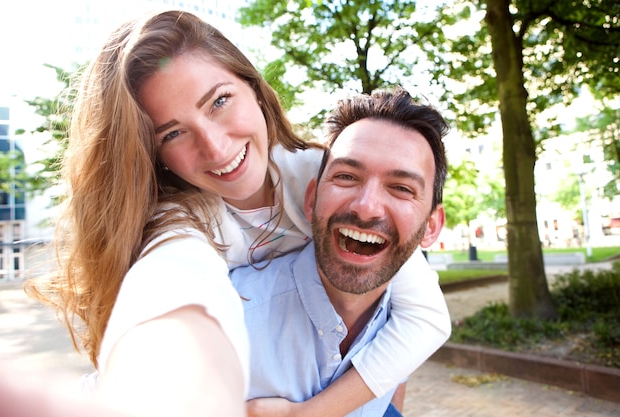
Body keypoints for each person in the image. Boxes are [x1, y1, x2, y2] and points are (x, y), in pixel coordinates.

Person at [26, 10, 451, 417]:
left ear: (255, 89)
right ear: (156, 157)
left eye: (219, 101)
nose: (214, 147)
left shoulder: (331, 182)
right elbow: (173, 281)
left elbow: (425, 317)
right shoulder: (181, 224)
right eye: (173, 133)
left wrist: (319, 413)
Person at [231, 87, 448, 417]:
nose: (366, 208)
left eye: (401, 188)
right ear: (310, 199)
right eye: (346, 176)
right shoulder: (226, 315)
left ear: (431, 227)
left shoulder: (402, 324)